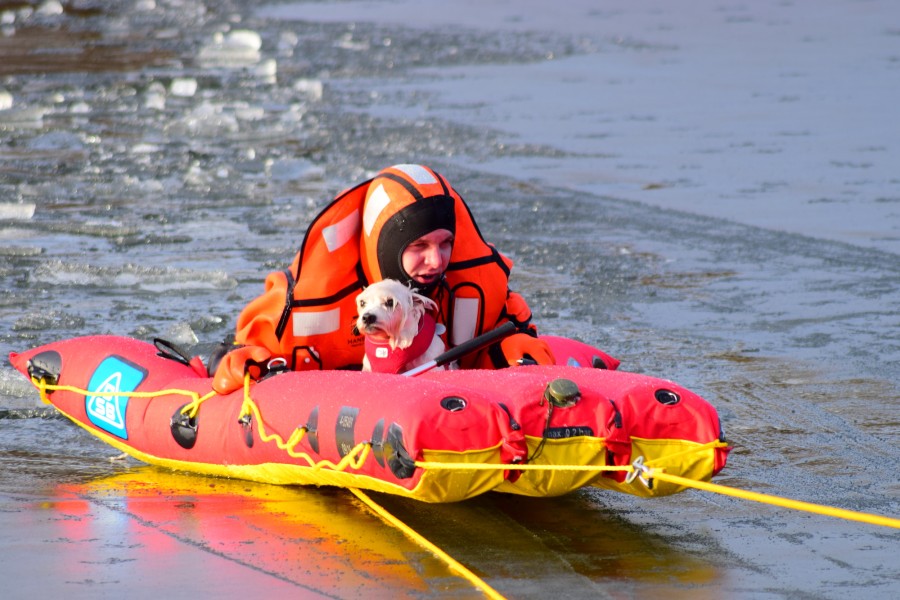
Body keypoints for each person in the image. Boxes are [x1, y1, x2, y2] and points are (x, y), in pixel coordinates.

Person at [212, 163, 555, 394]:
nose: (436, 261)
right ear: (387, 248)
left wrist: (521, 359)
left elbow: (517, 332)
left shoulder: (479, 287)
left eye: (445, 243)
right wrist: (242, 362)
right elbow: (246, 348)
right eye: (419, 246)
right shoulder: (305, 303)